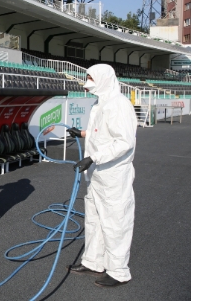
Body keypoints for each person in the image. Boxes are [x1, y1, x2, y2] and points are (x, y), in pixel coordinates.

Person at [66, 64, 137, 288]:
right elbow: (103, 132)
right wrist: (83, 133)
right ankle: (93, 261)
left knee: (116, 222)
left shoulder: (118, 105)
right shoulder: (101, 104)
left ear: (104, 79)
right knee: (94, 218)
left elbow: (124, 142)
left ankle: (118, 271)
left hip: (113, 174)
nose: (87, 84)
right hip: (97, 175)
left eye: (90, 79)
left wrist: (93, 158)